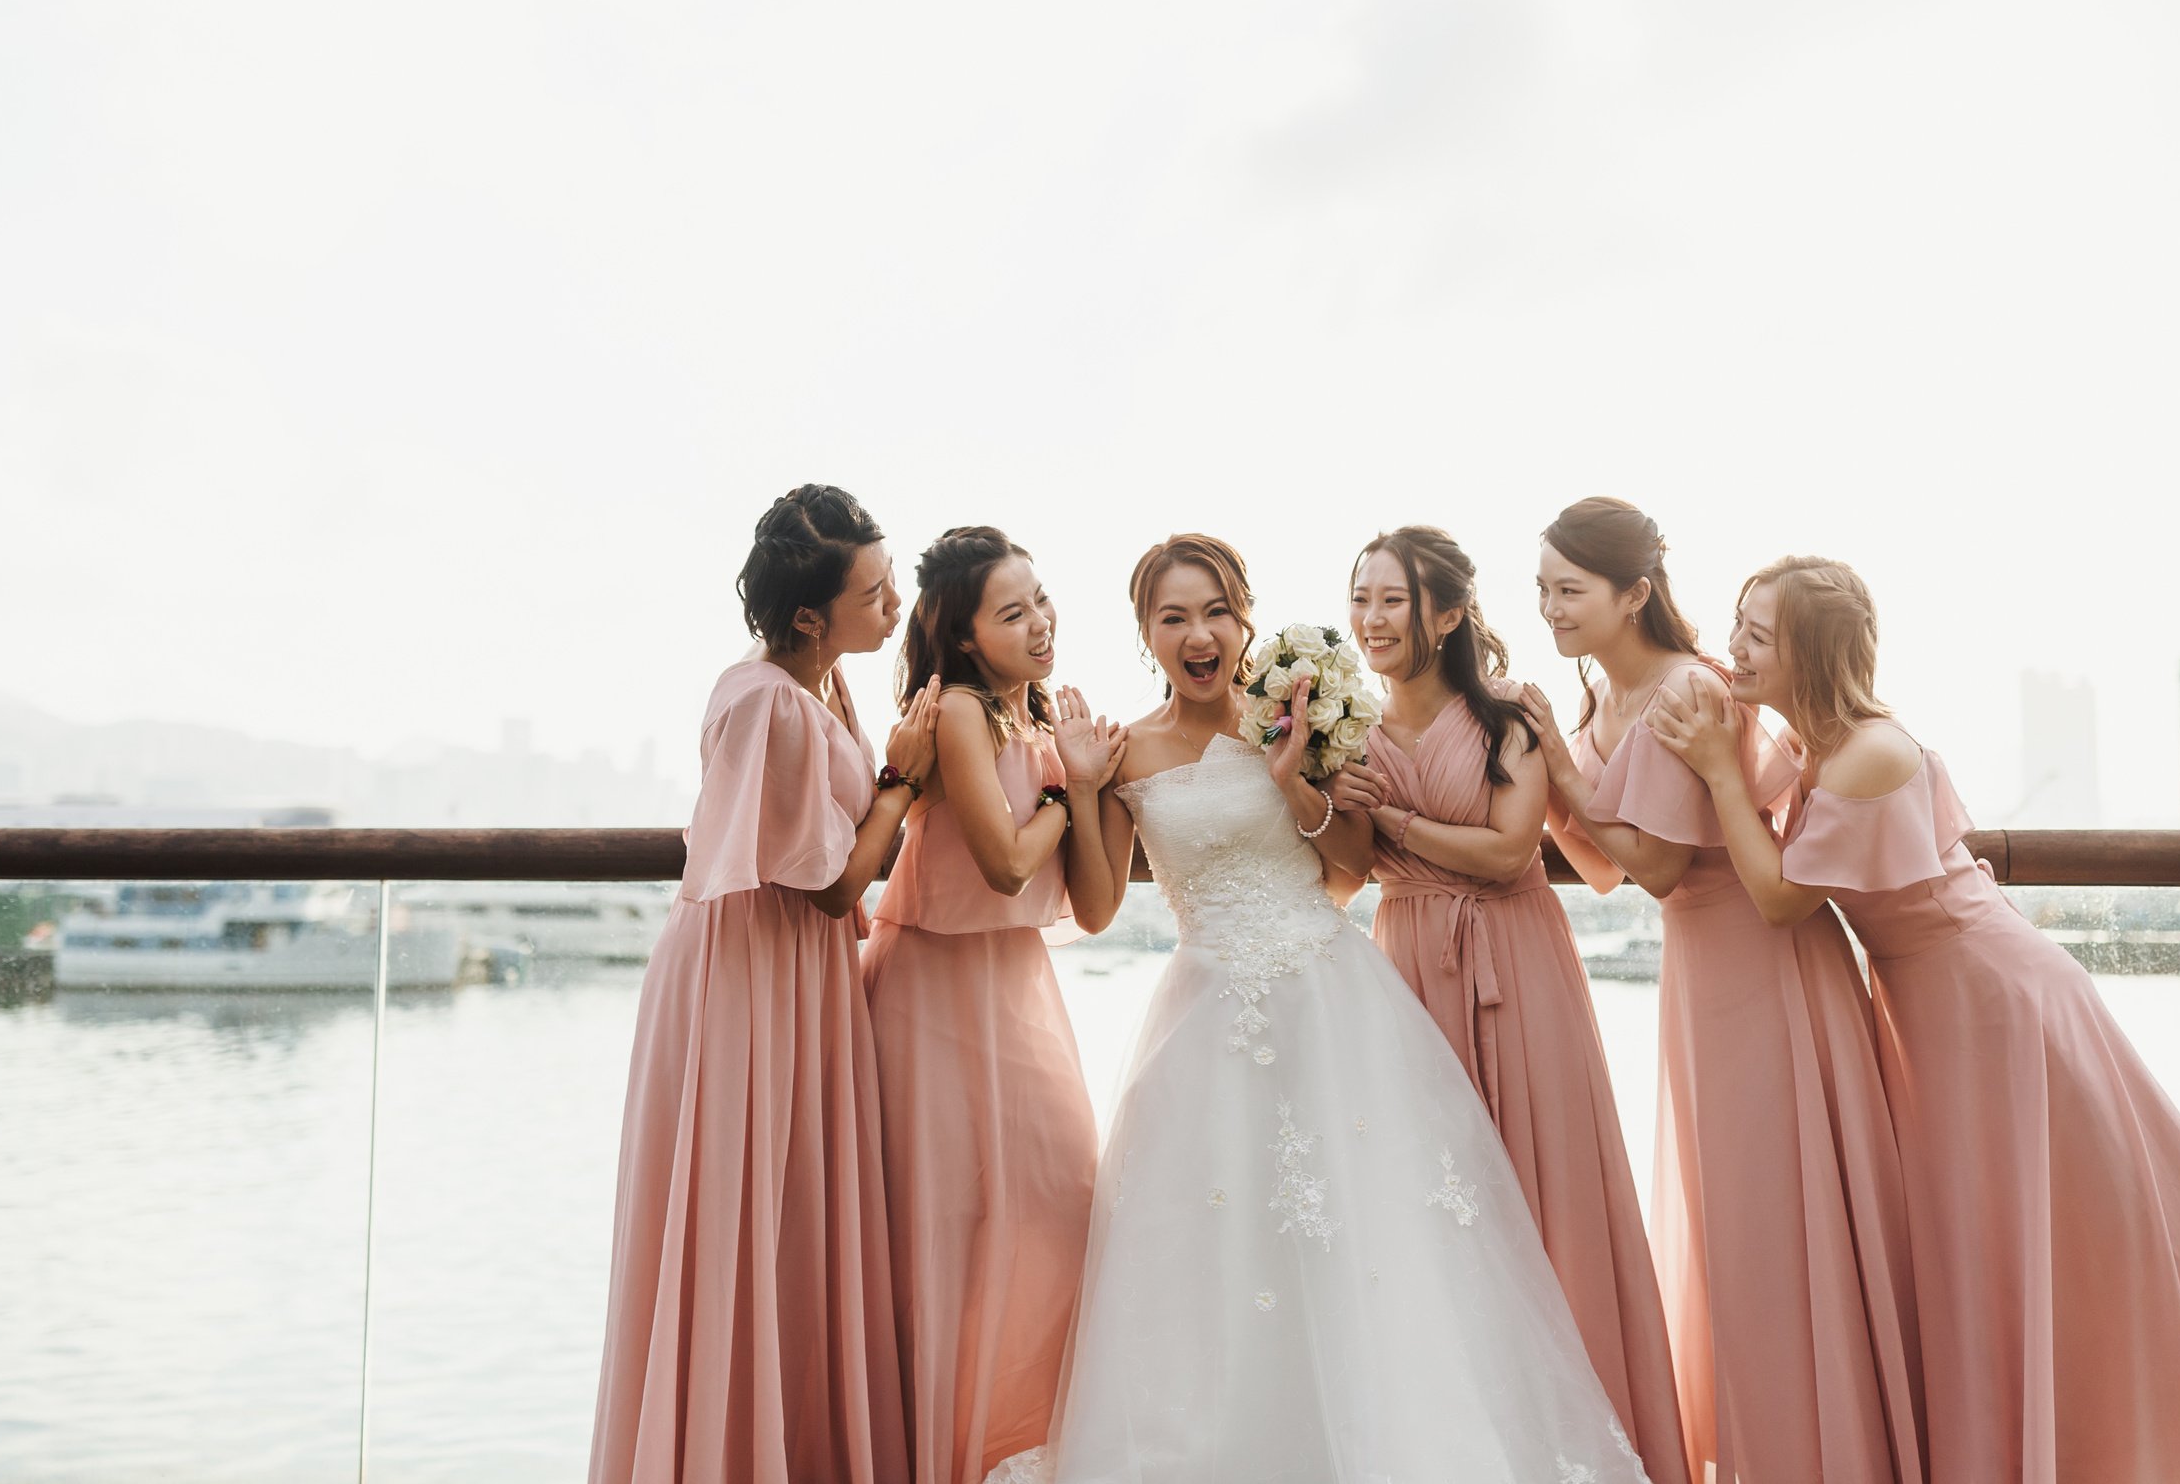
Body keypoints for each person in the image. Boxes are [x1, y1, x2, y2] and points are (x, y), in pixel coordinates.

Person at [1649, 555, 2180, 1484]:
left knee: (2158, 1221)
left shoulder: (1867, 752)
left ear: (1813, 650)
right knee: (2002, 1249)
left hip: (1999, 1009)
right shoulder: (1823, 744)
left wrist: (1717, 768)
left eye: (1758, 632)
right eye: (1736, 624)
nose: (1735, 645)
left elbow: (1781, 898)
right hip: (1943, 1015)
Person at [988, 534, 1652, 1484]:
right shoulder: (1125, 749)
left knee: (1369, 1236)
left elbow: (1347, 868)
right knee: (1218, 1246)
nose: (1198, 633)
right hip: (1205, 1014)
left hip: (1333, 999)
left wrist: (1294, 775)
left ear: (1242, 618)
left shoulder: (1292, 719)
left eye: (1214, 611)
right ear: (1146, 633)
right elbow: (1094, 908)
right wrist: (1087, 783)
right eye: (1173, 617)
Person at [1525, 497, 1923, 1484]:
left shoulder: (1689, 690)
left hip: (1761, 961)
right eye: (1540, 588)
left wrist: (1561, 781)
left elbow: (1656, 863)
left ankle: (1824, 1455)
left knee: (1772, 1226)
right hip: (1696, 975)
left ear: (1634, 593)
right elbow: (1610, 869)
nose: (1548, 608)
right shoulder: (1601, 704)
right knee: (1728, 1231)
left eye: (1567, 589)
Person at [591, 483, 935, 1484]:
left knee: (790, 1224)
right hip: (748, 979)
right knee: (742, 1215)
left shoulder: (820, 685)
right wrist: (903, 781)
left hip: (795, 975)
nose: (892, 603)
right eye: (872, 590)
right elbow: (830, 881)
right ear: (806, 613)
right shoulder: (762, 701)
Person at [1350, 525, 1689, 1484]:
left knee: (1551, 1191)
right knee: (1434, 1204)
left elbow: (1508, 850)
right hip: (1408, 964)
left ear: (1448, 613)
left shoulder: (1509, 718)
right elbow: (1339, 874)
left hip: (1516, 960)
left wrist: (1395, 821)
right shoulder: (1351, 735)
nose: (1373, 619)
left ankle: (1589, 1443)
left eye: (1394, 599)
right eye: (1362, 599)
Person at [863, 526, 1124, 1484]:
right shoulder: (965, 714)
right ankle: (940, 1453)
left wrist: (1087, 785)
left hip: (1018, 995)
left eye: (1042, 600)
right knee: (944, 1229)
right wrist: (1068, 789)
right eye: (1013, 613)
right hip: (930, 994)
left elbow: (1095, 908)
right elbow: (1007, 864)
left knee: (1063, 1205)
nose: (1041, 623)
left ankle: (1027, 1450)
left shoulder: (1052, 718)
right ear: (967, 637)